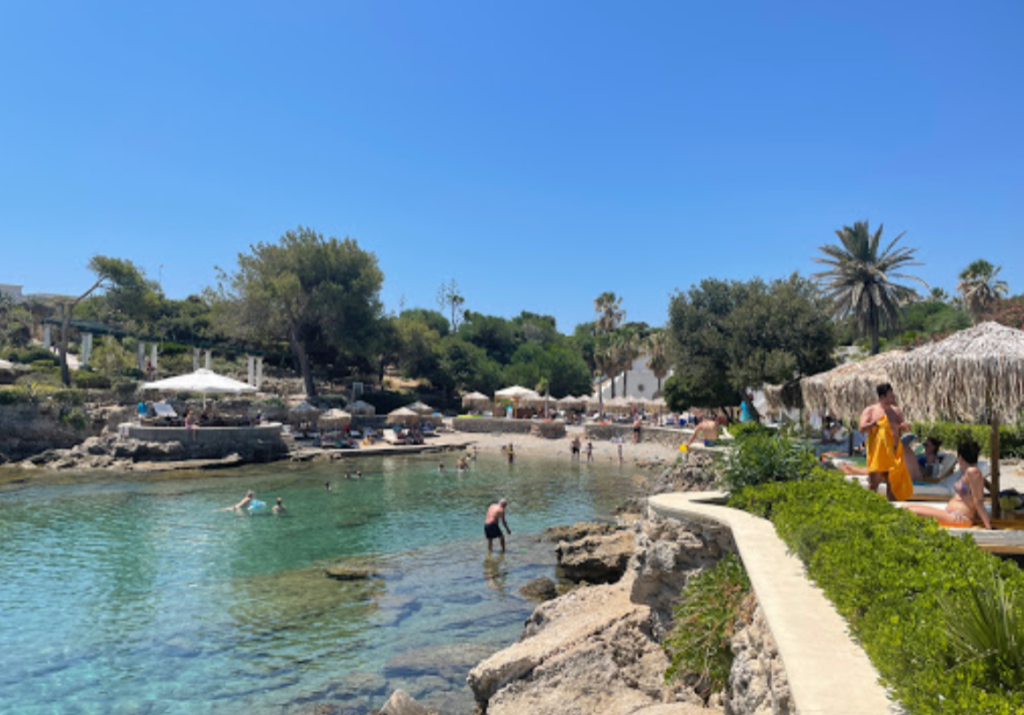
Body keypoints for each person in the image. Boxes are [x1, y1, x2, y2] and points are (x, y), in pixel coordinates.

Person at [901, 440, 992, 529]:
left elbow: (978, 501)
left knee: (911, 511)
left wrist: (988, 527)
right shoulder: (968, 473)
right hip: (952, 514)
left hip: (959, 517)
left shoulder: (973, 472)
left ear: (960, 458)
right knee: (906, 507)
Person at [859, 383, 913, 501]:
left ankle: (892, 510)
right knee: (874, 483)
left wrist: (905, 426)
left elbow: (903, 426)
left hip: (893, 451)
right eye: (890, 394)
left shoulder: (896, 411)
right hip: (878, 451)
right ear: (883, 396)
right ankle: (869, 506)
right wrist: (874, 424)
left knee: (892, 484)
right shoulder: (871, 410)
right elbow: (862, 428)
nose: (893, 396)